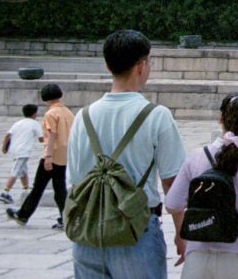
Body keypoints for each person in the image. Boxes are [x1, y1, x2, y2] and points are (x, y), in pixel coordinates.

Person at [67, 29, 186, 279]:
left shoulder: (83, 117)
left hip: (88, 233)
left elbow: (75, 180)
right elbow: (171, 183)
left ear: (108, 65)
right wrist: (181, 231)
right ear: (141, 66)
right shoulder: (156, 115)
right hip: (136, 231)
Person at [166, 92, 238, 278]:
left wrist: (182, 235)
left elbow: (173, 204)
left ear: (221, 118)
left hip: (198, 256)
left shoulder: (196, 156)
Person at [7, 83, 73, 229]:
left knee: (38, 188)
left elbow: (52, 135)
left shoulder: (51, 114)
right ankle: (65, 217)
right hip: (64, 155)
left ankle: (23, 215)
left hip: (52, 155)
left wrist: (48, 156)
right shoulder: (68, 112)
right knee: (60, 188)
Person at [0, 103, 42, 204]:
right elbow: (41, 138)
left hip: (14, 150)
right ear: (34, 113)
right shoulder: (34, 123)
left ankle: (26, 190)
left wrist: (4, 147)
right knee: (16, 171)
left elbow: (7, 135)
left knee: (23, 171)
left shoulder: (18, 123)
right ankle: (5, 192)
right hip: (23, 150)